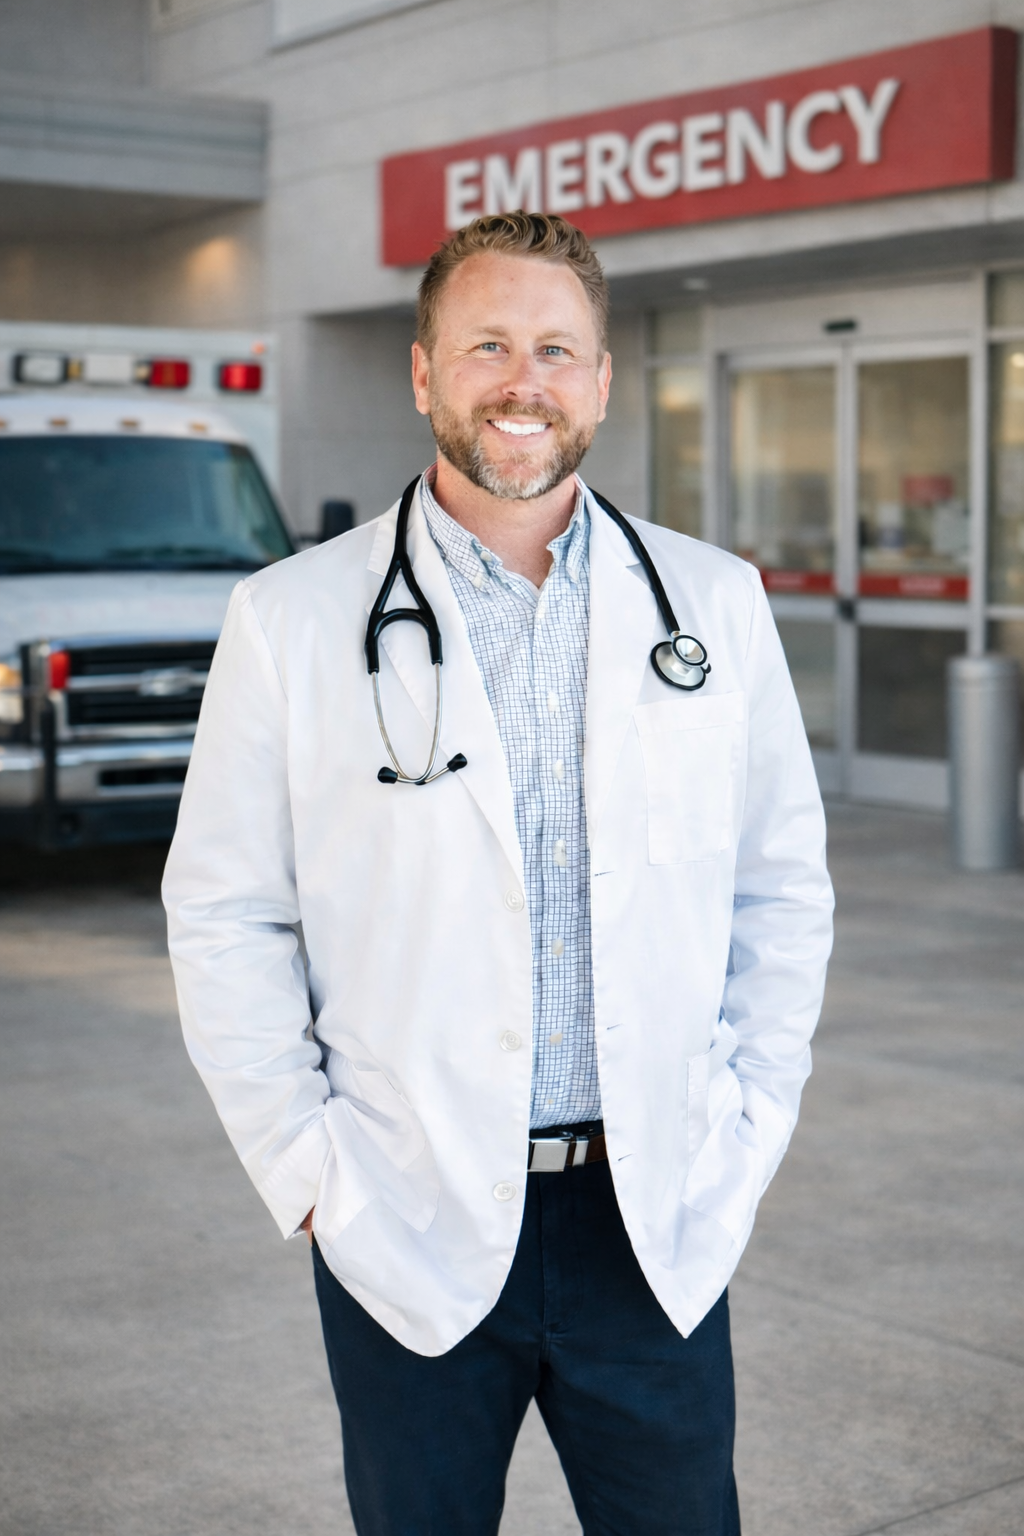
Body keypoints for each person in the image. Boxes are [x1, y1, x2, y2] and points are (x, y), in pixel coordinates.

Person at [163, 210, 833, 1536]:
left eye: (555, 348)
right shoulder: (292, 619)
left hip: (654, 1223)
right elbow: (226, 913)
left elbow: (782, 892)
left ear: (596, 380)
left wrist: (745, 1136)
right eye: (485, 345)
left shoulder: (714, 605)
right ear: (423, 374)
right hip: (405, 1208)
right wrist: (310, 1170)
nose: (522, 378)